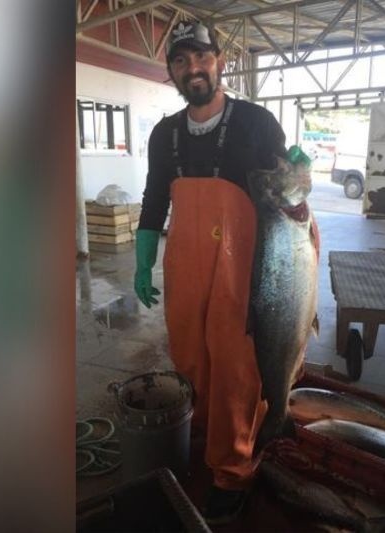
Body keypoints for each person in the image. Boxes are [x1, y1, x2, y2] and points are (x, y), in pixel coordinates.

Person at [133, 20, 298, 524]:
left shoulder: (257, 122)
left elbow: (288, 193)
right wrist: (142, 259)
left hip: (247, 272)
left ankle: (232, 469)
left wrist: (299, 171)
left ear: (219, 61)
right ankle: (205, 437)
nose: (192, 69)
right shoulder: (165, 134)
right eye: (180, 61)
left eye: (200, 57)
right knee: (191, 361)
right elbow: (155, 198)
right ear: (172, 72)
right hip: (186, 269)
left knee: (235, 371)